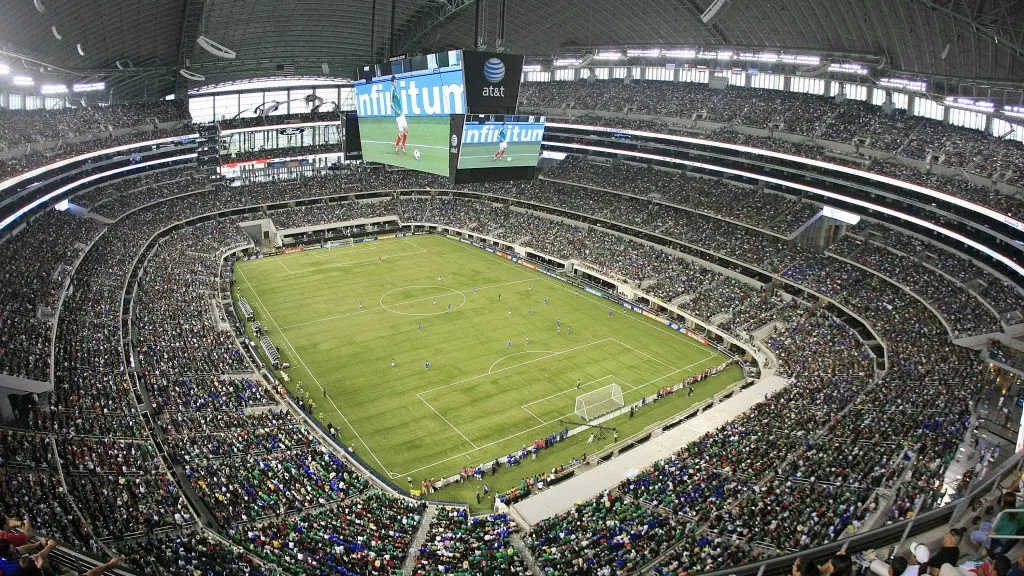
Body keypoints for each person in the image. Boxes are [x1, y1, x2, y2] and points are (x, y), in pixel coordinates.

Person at [390, 75, 408, 155]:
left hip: (402, 113)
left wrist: (400, 110)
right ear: (392, 82)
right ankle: (397, 145)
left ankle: (403, 145)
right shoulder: (392, 91)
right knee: (401, 133)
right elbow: (391, 104)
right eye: (394, 81)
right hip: (398, 115)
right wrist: (396, 110)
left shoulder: (396, 89)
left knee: (406, 129)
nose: (395, 83)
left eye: (396, 81)